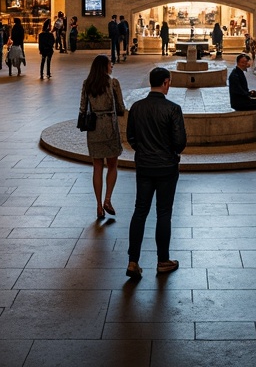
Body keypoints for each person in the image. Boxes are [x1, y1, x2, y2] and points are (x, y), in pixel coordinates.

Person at [125, 66, 187, 279]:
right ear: (166, 83)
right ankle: (162, 260)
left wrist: (144, 151)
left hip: (143, 165)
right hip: (167, 167)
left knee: (140, 211)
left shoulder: (137, 107)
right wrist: (170, 152)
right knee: (164, 212)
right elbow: (180, 142)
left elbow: (131, 137)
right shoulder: (173, 109)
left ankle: (133, 261)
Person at [79, 55, 126, 219]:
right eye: (109, 63)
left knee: (97, 166)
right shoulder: (113, 82)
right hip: (109, 127)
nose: (111, 65)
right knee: (112, 164)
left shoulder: (87, 83)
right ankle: (108, 200)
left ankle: (98, 206)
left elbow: (83, 107)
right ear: (104, 66)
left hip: (94, 129)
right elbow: (120, 106)